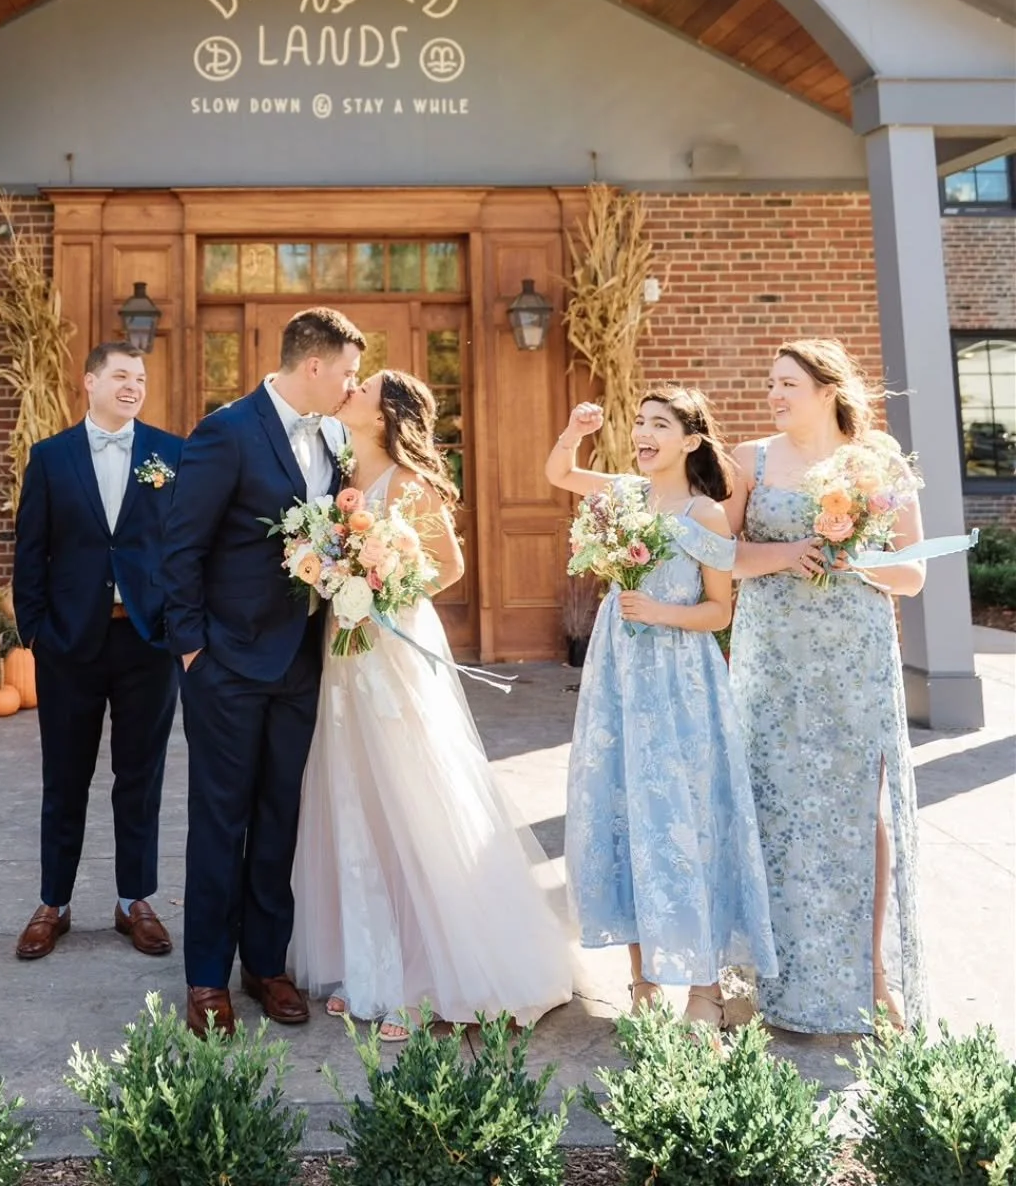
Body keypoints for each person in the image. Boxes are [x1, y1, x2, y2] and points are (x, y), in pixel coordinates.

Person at [291, 369, 573, 1038]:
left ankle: (423, 980)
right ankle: (369, 964)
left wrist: (383, 590)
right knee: (357, 795)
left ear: (384, 415)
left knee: (410, 795)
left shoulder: (407, 483)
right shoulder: (339, 473)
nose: (350, 390)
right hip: (344, 650)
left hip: (389, 649)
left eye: (364, 388)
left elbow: (449, 566)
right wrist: (335, 574)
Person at [162, 306, 364, 1037]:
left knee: (281, 816)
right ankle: (206, 978)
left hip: (301, 661)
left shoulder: (334, 438)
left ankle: (267, 964)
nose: (353, 386)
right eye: (347, 373)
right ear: (312, 365)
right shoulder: (227, 432)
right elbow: (180, 547)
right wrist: (193, 651)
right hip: (226, 665)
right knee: (222, 821)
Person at [547, 390, 776, 1027]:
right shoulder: (625, 496)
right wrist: (575, 430)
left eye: (660, 424)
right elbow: (561, 474)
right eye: (641, 423)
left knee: (685, 815)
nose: (644, 433)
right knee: (625, 812)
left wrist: (660, 612)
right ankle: (642, 983)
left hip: (681, 683)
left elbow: (719, 612)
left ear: (691, 440)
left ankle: (705, 990)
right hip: (618, 675)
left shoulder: (705, 514)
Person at [727, 339, 927, 1034]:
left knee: (855, 812)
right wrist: (787, 553)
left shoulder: (879, 460)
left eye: (787, 383)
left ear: (827, 390)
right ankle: (756, 979)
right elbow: (724, 557)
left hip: (852, 660)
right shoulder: (749, 460)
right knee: (766, 807)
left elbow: (912, 574)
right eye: (771, 383)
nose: (774, 394)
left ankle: (873, 978)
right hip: (772, 658)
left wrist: (854, 557)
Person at [10, 342, 184, 963]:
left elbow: (184, 546)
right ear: (89, 382)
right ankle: (53, 903)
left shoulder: (171, 454)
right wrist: (35, 633)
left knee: (140, 776)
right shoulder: (51, 457)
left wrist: (178, 625)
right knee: (65, 777)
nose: (133, 386)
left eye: (140, 378)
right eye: (120, 375)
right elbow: (30, 550)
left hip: (146, 640)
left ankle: (135, 900)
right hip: (69, 643)